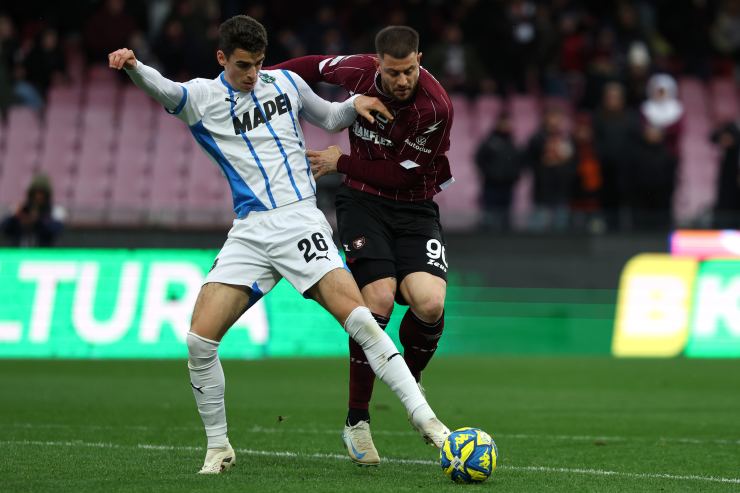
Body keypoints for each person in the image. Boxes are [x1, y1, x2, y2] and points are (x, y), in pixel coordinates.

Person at [107, 15, 449, 475]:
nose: (253, 74)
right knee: (199, 341)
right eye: (243, 65)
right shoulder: (202, 98)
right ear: (222, 58)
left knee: (363, 321)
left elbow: (330, 117)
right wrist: (134, 67)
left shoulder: (285, 83)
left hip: (299, 220)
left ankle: (430, 424)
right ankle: (218, 448)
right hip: (249, 232)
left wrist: (356, 103)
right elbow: (166, 90)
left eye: (259, 63)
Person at [271, 25, 454, 466]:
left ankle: (409, 381)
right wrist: (261, 80)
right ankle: (357, 421)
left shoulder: (434, 107)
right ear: (378, 65)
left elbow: (405, 176)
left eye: (409, 71)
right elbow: (309, 67)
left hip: (414, 207)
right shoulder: (356, 71)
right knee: (379, 300)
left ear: (419, 60)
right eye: (393, 73)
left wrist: (340, 161)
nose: (402, 81)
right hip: (362, 203)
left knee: (430, 304)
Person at [2, 174, 64, 247]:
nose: (38, 196)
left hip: (43, 251)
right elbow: (4, 228)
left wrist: (38, 220)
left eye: (42, 193)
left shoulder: (54, 210)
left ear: (47, 195)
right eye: (35, 193)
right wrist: (16, 218)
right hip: (19, 250)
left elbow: (56, 230)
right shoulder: (21, 208)